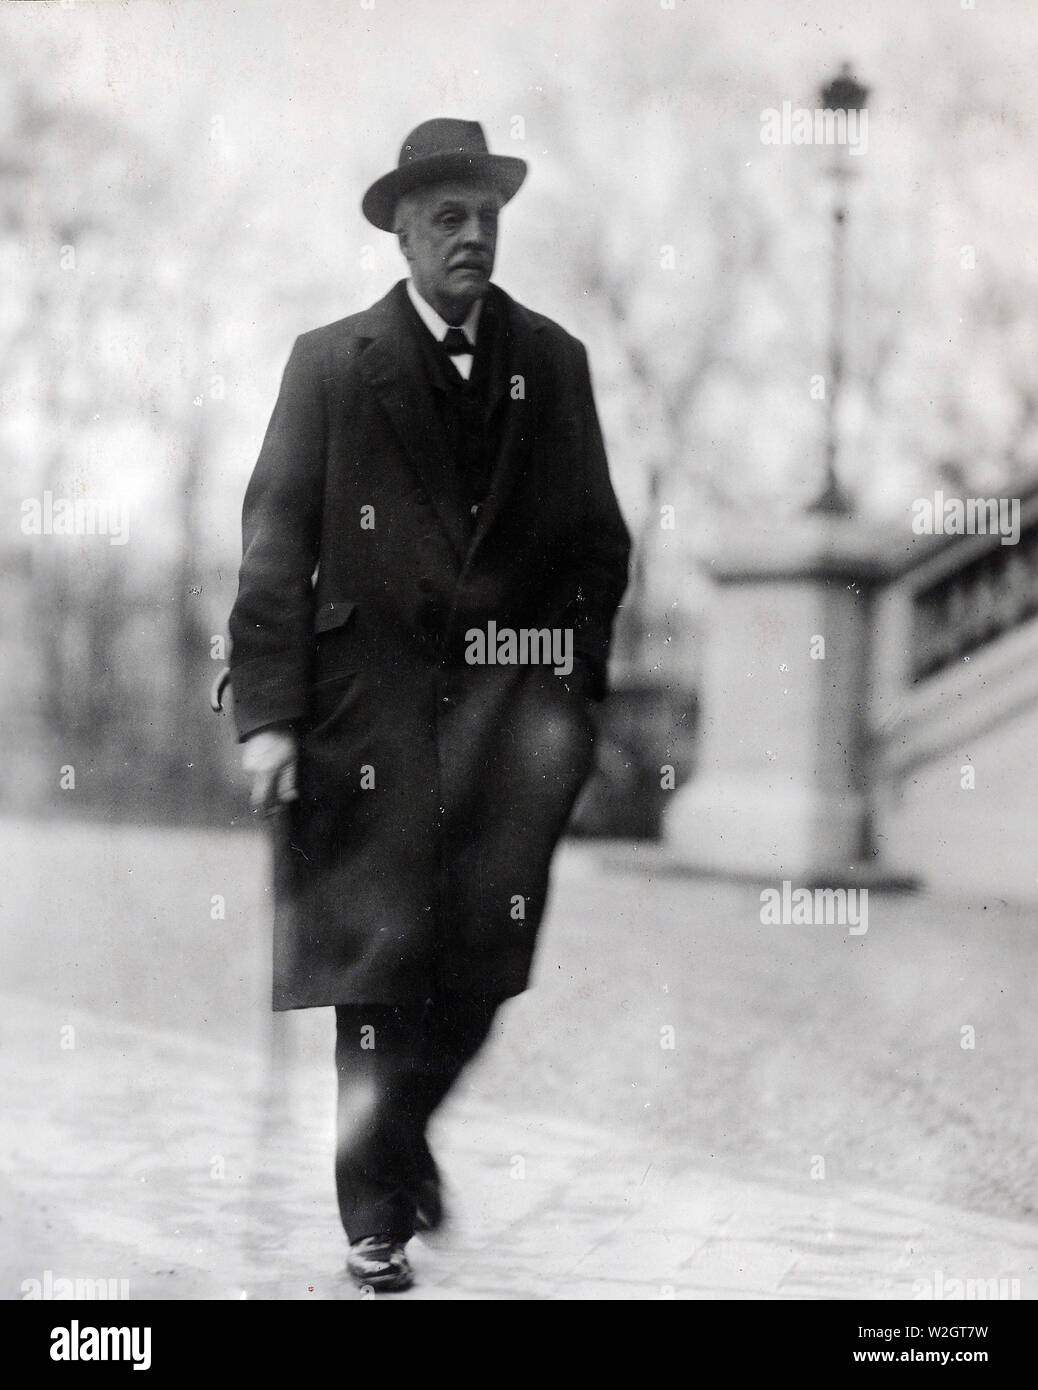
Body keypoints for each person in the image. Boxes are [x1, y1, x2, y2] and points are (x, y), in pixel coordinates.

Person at [224, 118, 630, 1292]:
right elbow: (272, 548)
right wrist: (269, 717)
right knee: (372, 976)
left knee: (483, 969)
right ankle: (375, 1218)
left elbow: (598, 546)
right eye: (448, 218)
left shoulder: (551, 363)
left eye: (486, 218)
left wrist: (575, 692)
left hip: (513, 733)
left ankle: (400, 1138)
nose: (472, 236)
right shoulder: (330, 363)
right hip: (367, 724)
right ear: (404, 234)